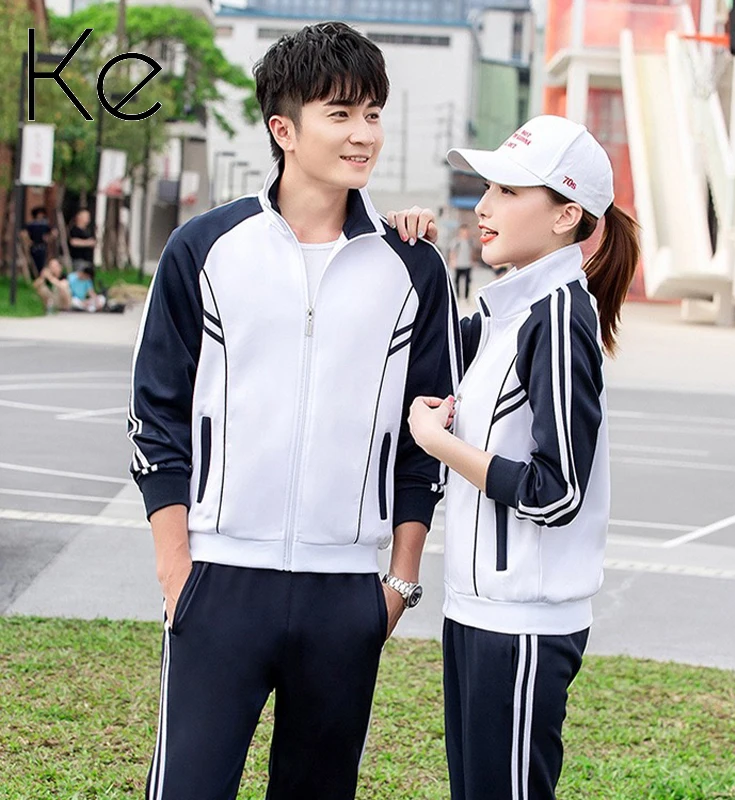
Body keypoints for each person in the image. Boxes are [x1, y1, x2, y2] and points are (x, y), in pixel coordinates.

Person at [127, 21, 460, 800]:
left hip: (344, 593)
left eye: (372, 113)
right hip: (219, 579)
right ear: (284, 129)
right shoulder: (205, 248)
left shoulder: (412, 268)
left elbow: (427, 439)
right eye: (340, 114)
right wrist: (178, 568)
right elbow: (155, 414)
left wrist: (399, 582)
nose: (363, 134)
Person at [398, 115, 639, 800]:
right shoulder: (507, 314)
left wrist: (443, 446)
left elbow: (558, 491)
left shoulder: (557, 319)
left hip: (524, 626)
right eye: (487, 188)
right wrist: (414, 254)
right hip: (477, 612)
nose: (484, 206)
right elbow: (426, 349)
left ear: (566, 215)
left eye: (507, 191)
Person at [448, 223, 474, 299]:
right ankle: (457, 296)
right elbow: (452, 252)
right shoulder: (456, 241)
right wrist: (452, 261)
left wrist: (472, 261)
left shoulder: (470, 241)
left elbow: (471, 252)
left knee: (467, 282)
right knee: (457, 281)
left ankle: (466, 297)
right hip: (458, 264)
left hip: (467, 264)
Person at [25, 206, 53, 276]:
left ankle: (41, 275)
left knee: (42, 261)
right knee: (34, 261)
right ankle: (34, 275)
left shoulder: (45, 224)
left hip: (43, 246)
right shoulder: (31, 224)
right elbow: (24, 233)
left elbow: (52, 233)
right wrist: (28, 240)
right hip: (34, 245)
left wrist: (48, 238)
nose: (40, 215)